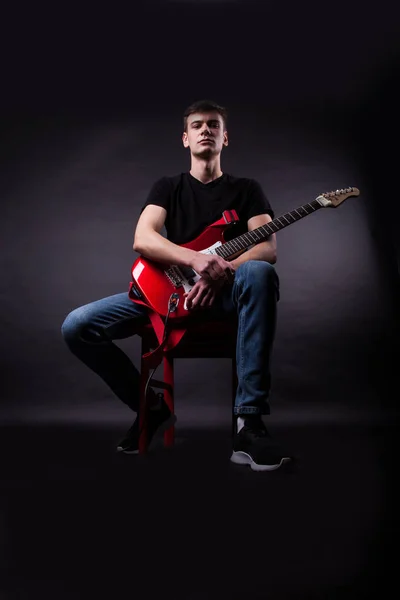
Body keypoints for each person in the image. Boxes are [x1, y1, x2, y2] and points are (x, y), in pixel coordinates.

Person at [61, 99, 292, 471]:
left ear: (225, 137)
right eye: (197, 125)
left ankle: (249, 424)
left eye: (213, 125)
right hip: (166, 296)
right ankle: (151, 410)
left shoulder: (247, 189)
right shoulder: (168, 187)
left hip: (225, 299)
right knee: (77, 326)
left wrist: (222, 272)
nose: (205, 130)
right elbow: (143, 238)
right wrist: (196, 259)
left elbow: (266, 249)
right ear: (185, 139)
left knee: (260, 273)